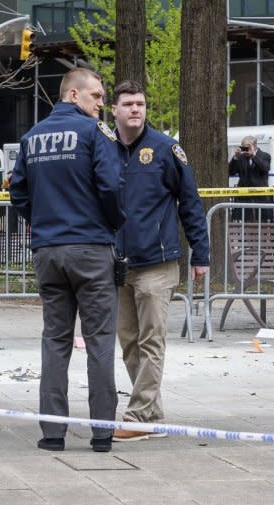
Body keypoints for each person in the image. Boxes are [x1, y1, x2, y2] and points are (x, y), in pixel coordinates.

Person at [10, 68, 125, 453]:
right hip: (91, 248)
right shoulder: (95, 134)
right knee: (99, 340)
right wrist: (113, 222)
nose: (101, 105)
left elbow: (19, 195)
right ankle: (102, 432)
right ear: (73, 94)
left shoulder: (31, 137)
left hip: (48, 250)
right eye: (96, 96)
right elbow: (110, 186)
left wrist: (43, 224)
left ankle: (53, 432)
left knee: (55, 341)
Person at [109, 80, 210, 441]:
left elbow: (191, 202)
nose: (136, 109)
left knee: (152, 341)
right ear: (114, 110)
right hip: (118, 263)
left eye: (140, 103)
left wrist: (202, 253)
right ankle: (152, 413)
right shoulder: (104, 148)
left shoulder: (166, 149)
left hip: (157, 261)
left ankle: (137, 417)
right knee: (129, 343)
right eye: (128, 104)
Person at [228, 135, 272, 222]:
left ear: (254, 146)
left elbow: (265, 168)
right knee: (244, 222)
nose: (245, 150)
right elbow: (230, 172)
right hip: (244, 196)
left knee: (261, 222)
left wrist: (253, 156)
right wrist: (235, 158)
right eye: (243, 148)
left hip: (260, 197)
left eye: (247, 148)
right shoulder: (240, 157)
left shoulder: (265, 156)